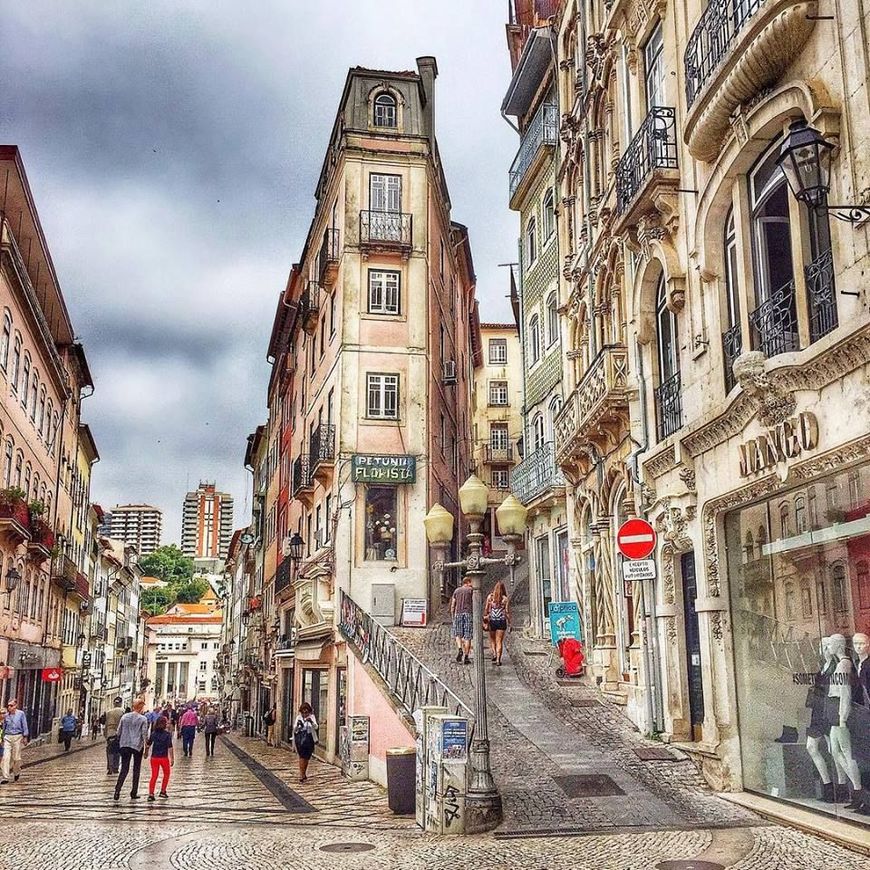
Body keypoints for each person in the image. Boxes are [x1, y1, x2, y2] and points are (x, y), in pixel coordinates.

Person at [114, 699, 149, 801]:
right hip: (137, 745)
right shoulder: (143, 719)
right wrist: (146, 747)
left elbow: (118, 731)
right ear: (140, 707)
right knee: (136, 769)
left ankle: (117, 790)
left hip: (124, 744)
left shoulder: (124, 717)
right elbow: (144, 734)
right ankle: (134, 792)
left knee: (124, 768)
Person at [144, 716, 174, 801]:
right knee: (166, 774)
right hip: (164, 758)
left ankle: (151, 793)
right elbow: (170, 747)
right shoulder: (167, 735)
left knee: (154, 776)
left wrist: (146, 753)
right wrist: (172, 758)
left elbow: (148, 744)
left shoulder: (153, 733)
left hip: (154, 758)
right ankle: (163, 791)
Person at [484, 580, 511, 666]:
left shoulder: (490, 597)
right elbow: (506, 612)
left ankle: (494, 653)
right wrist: (510, 622)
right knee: (499, 641)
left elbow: (486, 609)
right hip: (501, 621)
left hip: (492, 621)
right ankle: (498, 660)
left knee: (492, 639)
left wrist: (486, 616)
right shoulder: (505, 599)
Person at [1, 699, 28, 784]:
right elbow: (4, 727)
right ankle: (5, 777)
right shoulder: (6, 716)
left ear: (15, 706)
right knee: (5, 757)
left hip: (17, 736)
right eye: (8, 705)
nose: (9, 707)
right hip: (7, 737)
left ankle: (17, 772)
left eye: (11, 705)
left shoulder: (21, 714)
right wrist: (2, 738)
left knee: (16, 758)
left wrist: (25, 736)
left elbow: (24, 725)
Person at [450, 574, 474, 664]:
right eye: (471, 582)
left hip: (458, 614)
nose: (472, 584)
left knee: (458, 634)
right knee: (468, 636)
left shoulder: (457, 591)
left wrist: (453, 615)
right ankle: (466, 657)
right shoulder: (471, 591)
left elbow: (453, 605)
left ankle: (460, 649)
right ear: (467, 582)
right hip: (468, 614)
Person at [293, 702, 317, 783]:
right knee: (302, 756)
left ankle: (304, 773)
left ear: (309, 711)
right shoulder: (298, 717)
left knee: (307, 757)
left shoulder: (312, 717)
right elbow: (294, 729)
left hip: (309, 739)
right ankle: (301, 774)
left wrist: (311, 722)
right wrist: (298, 725)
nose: (304, 714)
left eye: (306, 712)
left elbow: (316, 727)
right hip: (300, 739)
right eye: (303, 712)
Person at [103, 697, 124, 776]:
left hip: (110, 733)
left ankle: (110, 767)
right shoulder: (122, 711)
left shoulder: (108, 712)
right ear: (120, 703)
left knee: (110, 751)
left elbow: (106, 724)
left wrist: (105, 733)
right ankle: (115, 767)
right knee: (117, 751)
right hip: (119, 734)